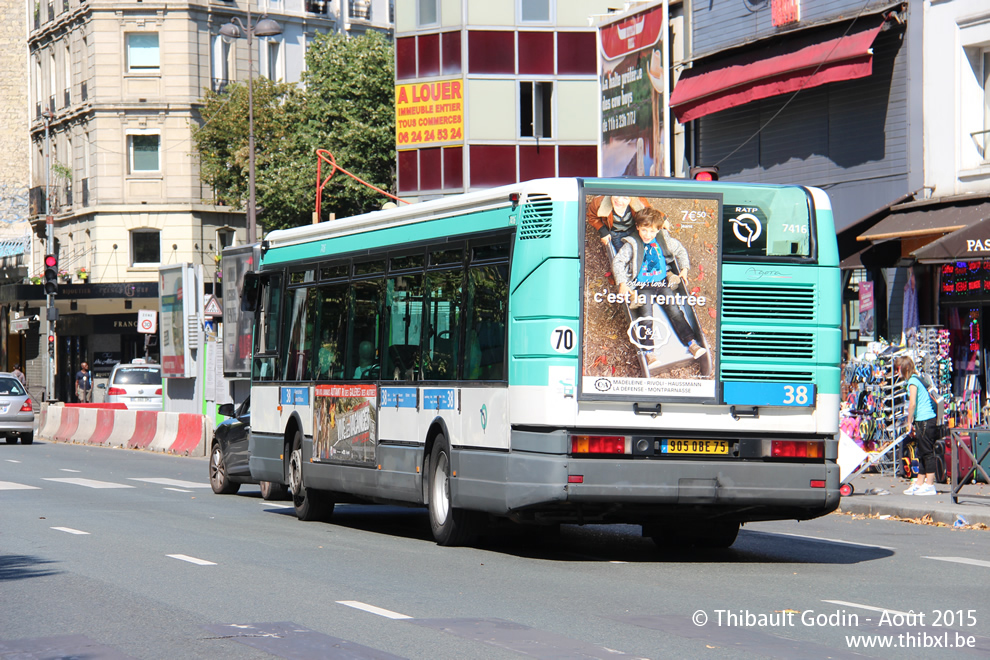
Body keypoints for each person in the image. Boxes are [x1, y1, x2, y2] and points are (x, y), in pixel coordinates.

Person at [613, 207, 707, 368]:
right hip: (643, 285)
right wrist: (622, 282)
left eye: (651, 231)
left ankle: (691, 343)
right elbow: (618, 261)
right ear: (637, 227)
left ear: (658, 229)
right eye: (644, 230)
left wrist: (684, 268)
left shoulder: (664, 239)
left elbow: (681, 251)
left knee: (675, 311)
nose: (647, 235)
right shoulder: (633, 244)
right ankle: (649, 352)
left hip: (662, 282)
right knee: (646, 315)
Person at [896, 356, 938, 496]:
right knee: (920, 452)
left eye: (898, 369)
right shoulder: (916, 379)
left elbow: (912, 403)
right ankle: (919, 483)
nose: (897, 372)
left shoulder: (913, 382)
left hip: (925, 419)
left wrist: (909, 422)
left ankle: (930, 484)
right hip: (923, 419)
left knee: (926, 452)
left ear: (905, 368)